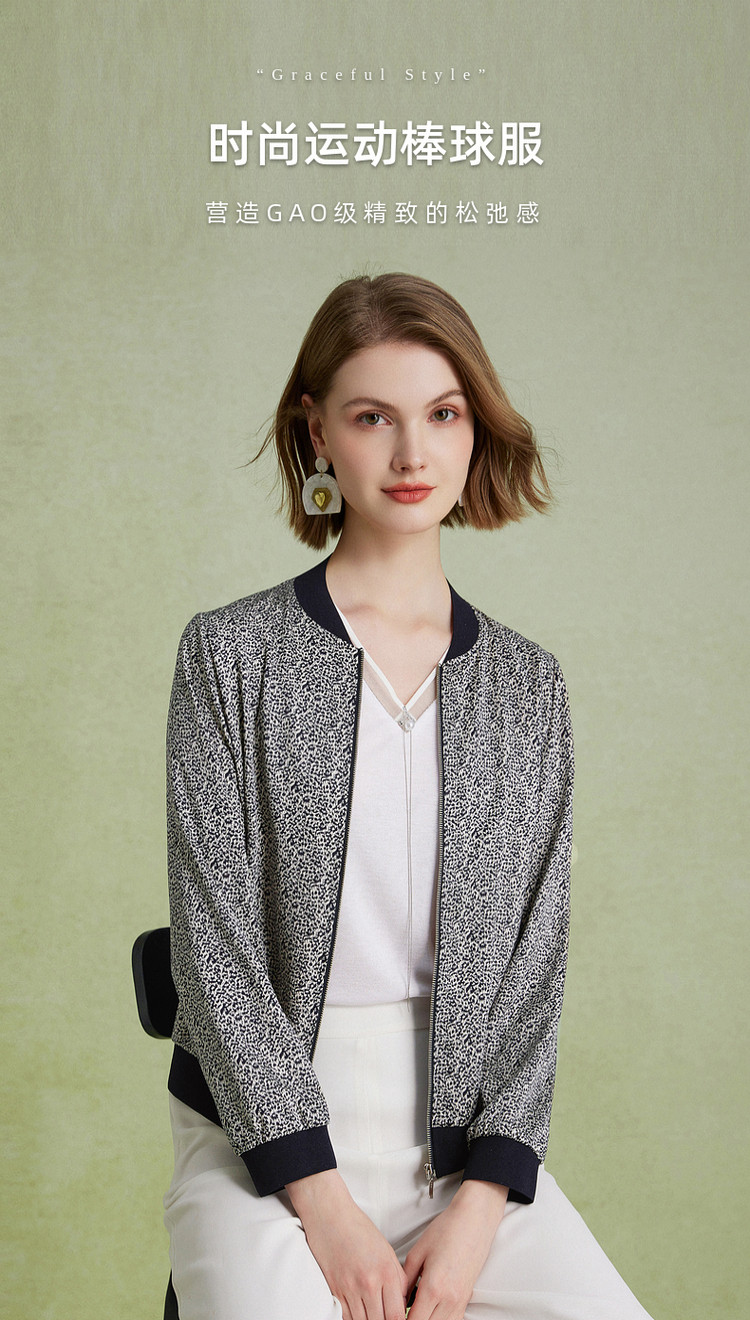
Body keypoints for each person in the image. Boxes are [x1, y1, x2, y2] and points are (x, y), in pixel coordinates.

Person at [163, 273, 653, 1320]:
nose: (412, 455)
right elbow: (213, 954)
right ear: (318, 433)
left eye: (443, 414)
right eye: (372, 417)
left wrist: (483, 1205)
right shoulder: (229, 657)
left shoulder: (527, 687)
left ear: (475, 430)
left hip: (461, 1157)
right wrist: (320, 1201)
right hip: (259, 1145)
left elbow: (534, 967)